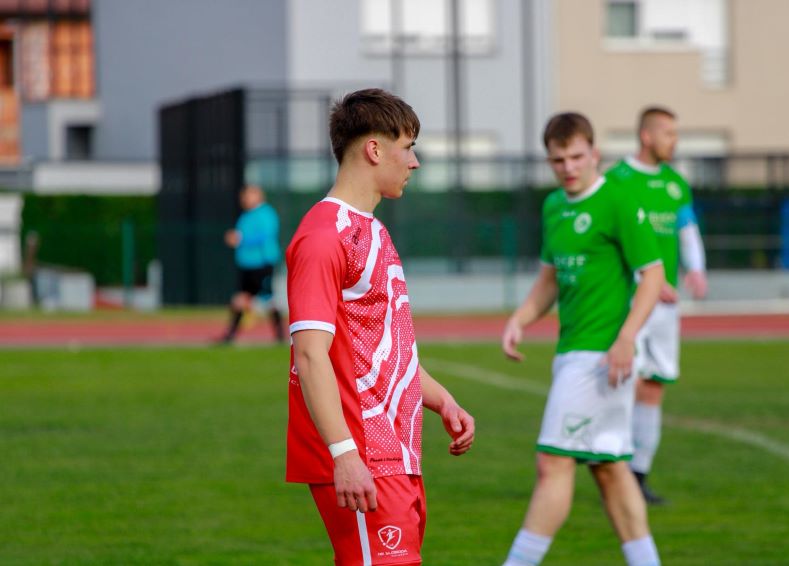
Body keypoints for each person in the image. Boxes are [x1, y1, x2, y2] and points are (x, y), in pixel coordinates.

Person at [285, 88, 475, 565]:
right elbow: (310, 354)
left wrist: (442, 400)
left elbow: (383, 350)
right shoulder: (323, 236)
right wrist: (344, 453)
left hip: (395, 452)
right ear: (374, 149)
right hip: (362, 452)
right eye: (407, 147)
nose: (414, 162)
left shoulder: (372, 230)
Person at [502, 112, 664, 566]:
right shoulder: (554, 206)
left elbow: (653, 276)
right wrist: (521, 318)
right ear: (549, 161)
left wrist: (626, 338)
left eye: (577, 156)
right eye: (559, 160)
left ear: (594, 153)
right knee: (610, 469)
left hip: (600, 358)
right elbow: (549, 281)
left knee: (552, 463)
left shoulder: (618, 199)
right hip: (572, 352)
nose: (569, 167)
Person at [605, 107, 708, 504]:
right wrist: (647, 279)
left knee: (654, 386)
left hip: (665, 307)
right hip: (631, 301)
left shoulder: (676, 183)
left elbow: (687, 230)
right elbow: (611, 240)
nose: (674, 141)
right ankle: (613, 468)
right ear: (646, 136)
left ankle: (639, 477)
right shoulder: (617, 179)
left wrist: (695, 269)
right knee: (624, 382)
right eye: (668, 133)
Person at [218, 184, 286, 344]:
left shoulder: (266, 214)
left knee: (268, 299)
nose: (244, 198)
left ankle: (280, 335)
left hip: (262, 264)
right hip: (247, 265)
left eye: (248, 195)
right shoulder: (246, 215)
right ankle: (230, 335)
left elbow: (265, 236)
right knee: (241, 299)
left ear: (258, 195)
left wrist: (241, 239)